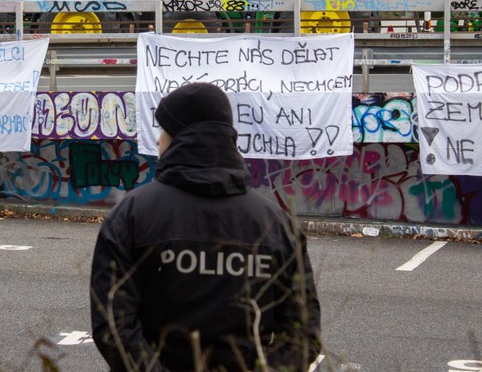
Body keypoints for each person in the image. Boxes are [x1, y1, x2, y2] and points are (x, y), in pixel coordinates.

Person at [90, 82, 321, 372]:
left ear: (177, 138)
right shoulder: (276, 223)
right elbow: (303, 334)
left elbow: (114, 327)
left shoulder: (131, 216)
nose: (158, 141)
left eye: (163, 132)